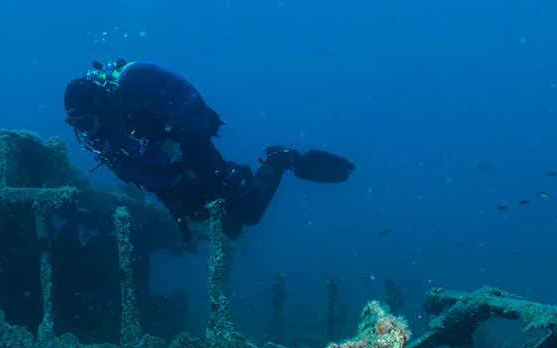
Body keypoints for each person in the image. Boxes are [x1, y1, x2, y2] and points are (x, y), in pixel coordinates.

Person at [63, 60, 354, 239]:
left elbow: (186, 113)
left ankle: (279, 160)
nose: (85, 131)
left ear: (100, 106)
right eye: (76, 124)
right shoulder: (102, 137)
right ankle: (237, 184)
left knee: (248, 212)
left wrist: (175, 139)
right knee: (228, 227)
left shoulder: (135, 103)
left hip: (194, 160)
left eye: (86, 121)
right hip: (171, 188)